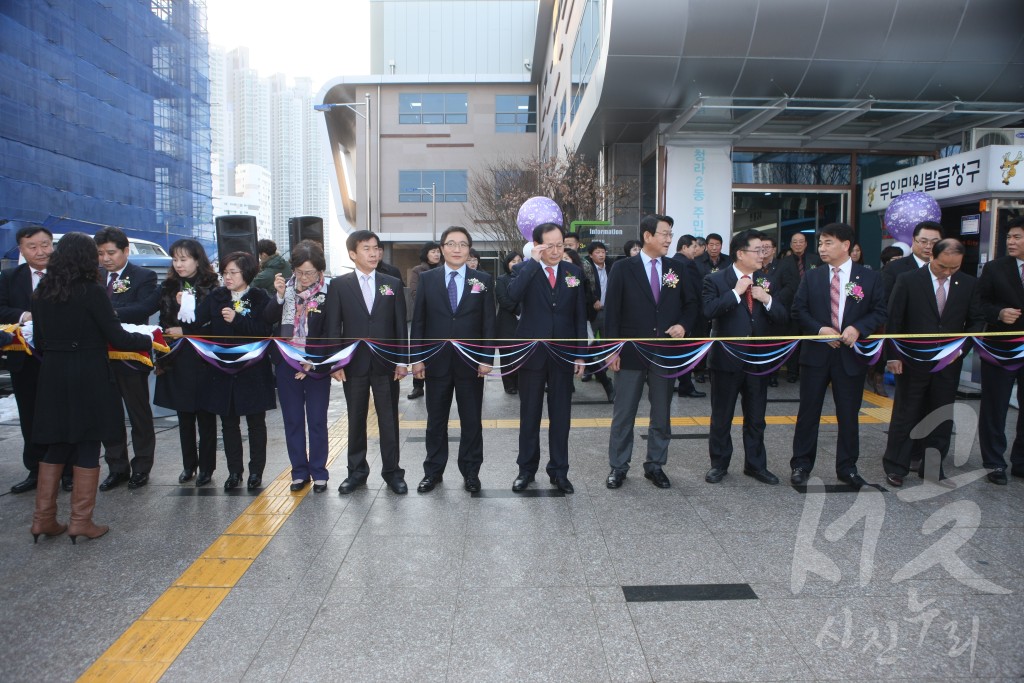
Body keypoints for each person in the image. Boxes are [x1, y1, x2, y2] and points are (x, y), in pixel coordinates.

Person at [29, 232, 153, 543]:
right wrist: (148, 339)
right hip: (88, 374)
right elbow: (117, 335)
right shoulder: (91, 291)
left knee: (55, 443)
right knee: (87, 443)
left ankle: (42, 519)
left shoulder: (43, 290)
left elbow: (40, 340)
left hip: (53, 374)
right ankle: (80, 521)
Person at [790, 223, 887, 488]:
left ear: (846, 245)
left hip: (850, 355)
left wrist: (858, 328)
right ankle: (801, 464)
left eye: (828, 242)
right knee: (808, 412)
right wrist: (819, 329)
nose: (822, 248)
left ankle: (847, 468)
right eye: (820, 243)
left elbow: (879, 311)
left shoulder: (869, 278)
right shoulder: (812, 276)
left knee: (848, 414)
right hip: (816, 355)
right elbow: (799, 311)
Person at [881, 239, 984, 487]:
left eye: (954, 268)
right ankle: (896, 467)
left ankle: (933, 468)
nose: (947, 272)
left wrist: (961, 350)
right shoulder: (908, 280)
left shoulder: (969, 284)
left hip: (949, 361)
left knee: (942, 413)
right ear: (931, 258)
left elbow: (976, 321)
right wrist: (892, 356)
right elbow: (894, 320)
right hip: (912, 359)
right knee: (907, 412)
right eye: (942, 267)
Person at [604, 214, 697, 490]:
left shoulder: (676, 268)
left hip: (665, 353)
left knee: (661, 413)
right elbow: (612, 312)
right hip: (631, 353)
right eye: (664, 234)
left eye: (670, 234)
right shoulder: (623, 268)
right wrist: (612, 350)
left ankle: (655, 465)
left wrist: (683, 324)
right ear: (647, 236)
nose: (669, 239)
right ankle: (618, 467)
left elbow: (691, 304)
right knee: (624, 413)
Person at [411, 226, 495, 494]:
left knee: (472, 421)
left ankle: (471, 472)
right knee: (436, 420)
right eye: (451, 244)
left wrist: (486, 358)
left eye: (462, 244)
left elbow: (488, 323)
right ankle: (433, 471)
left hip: (471, 364)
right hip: (436, 362)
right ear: (442, 248)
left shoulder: (481, 279)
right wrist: (417, 359)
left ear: (469, 249)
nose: (457, 249)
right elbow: (419, 321)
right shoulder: (428, 279)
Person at [703, 230, 790, 485]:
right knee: (722, 416)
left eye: (765, 250)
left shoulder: (766, 280)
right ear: (740, 253)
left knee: (756, 417)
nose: (762, 255)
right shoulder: (717, 280)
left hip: (757, 361)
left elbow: (783, 317)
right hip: (726, 360)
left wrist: (768, 299)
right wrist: (735, 293)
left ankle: (755, 465)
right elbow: (708, 310)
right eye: (757, 250)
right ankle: (719, 464)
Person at [326, 230, 409, 494]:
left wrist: (402, 361)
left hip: (386, 364)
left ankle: (393, 472)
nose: (374, 253)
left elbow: (399, 325)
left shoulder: (391, 283)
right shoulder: (340, 285)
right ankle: (357, 472)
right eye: (366, 249)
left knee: (389, 420)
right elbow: (332, 327)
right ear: (352, 254)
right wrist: (336, 363)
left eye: (377, 248)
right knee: (355, 419)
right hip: (354, 364)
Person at [506, 222, 587, 493]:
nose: (555, 251)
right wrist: (532, 263)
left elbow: (578, 315)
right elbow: (510, 298)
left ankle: (559, 471)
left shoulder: (573, 272)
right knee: (529, 414)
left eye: (560, 245)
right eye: (549, 245)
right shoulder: (523, 270)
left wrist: (580, 355)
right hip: (531, 354)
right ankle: (526, 470)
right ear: (537, 245)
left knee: (561, 416)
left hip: (564, 354)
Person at [196, 252, 276, 490]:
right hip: (222, 370)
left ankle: (255, 472)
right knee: (228, 424)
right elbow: (198, 324)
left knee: (256, 423)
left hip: (252, 370)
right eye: (225, 273)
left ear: (247, 273)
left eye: (233, 272)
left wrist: (237, 319)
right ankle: (234, 472)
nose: (227, 277)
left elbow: (263, 330)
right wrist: (185, 309)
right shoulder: (217, 296)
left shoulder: (260, 297)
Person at [264, 241, 332, 492]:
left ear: (320, 272)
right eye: (299, 272)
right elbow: (267, 318)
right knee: (292, 419)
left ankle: (319, 471)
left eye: (310, 273)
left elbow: (332, 332)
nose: (304, 278)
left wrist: (314, 361)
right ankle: (299, 471)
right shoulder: (286, 290)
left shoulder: (329, 293)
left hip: (315, 366)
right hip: (286, 362)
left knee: (316, 420)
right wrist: (280, 296)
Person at [95, 227, 160, 491]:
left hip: (131, 355)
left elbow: (142, 309)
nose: (106, 259)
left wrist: (105, 313)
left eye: (111, 252)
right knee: (108, 415)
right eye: (100, 253)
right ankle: (117, 467)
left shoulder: (142, 276)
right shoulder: (95, 276)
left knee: (138, 414)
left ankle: (142, 467)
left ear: (125, 251)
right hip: (100, 357)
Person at [154, 239, 219, 486]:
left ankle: (207, 468)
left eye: (184, 259)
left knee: (206, 416)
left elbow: (214, 324)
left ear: (197, 259)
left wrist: (187, 329)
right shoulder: (169, 286)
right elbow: (163, 320)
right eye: (175, 259)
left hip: (204, 359)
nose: (179, 264)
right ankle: (188, 465)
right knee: (184, 416)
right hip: (178, 358)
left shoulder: (212, 287)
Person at [0, 225, 57, 494]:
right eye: (32, 247)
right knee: (30, 415)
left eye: (45, 245)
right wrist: (24, 316)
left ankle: (66, 470)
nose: (40, 251)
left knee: (61, 414)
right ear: (21, 249)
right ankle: (35, 470)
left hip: (58, 358)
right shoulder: (10, 277)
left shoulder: (64, 275)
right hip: (23, 358)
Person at [977, 217, 1024, 484]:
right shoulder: (995, 269)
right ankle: (994, 462)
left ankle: (1021, 460)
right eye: (1009, 237)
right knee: (995, 407)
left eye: (1017, 237)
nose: (1011, 242)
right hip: (1001, 350)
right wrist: (998, 313)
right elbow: (979, 304)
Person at [775, 232, 821, 383]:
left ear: (806, 244)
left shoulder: (816, 259)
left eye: (801, 242)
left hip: (813, 308)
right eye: (795, 242)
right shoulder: (783, 262)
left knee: (811, 341)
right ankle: (792, 371)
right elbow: (779, 284)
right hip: (791, 308)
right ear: (791, 244)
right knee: (793, 341)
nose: (798, 244)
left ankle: (809, 371)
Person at [670, 234, 707, 398]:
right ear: (684, 247)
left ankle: (675, 383)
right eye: (694, 247)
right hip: (687, 318)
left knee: (675, 354)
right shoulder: (687, 264)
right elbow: (696, 293)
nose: (696, 250)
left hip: (673, 317)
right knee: (686, 354)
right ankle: (686, 386)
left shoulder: (671, 262)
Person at [406, 241, 441, 399]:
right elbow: (415, 293)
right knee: (421, 350)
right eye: (433, 251)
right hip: (424, 317)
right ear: (426, 254)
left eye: (438, 251)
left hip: (441, 319)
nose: (436, 254)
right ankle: (418, 386)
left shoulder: (444, 269)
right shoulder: (418, 270)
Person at [582, 241, 615, 401]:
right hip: (588, 315)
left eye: (603, 251)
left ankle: (605, 380)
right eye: (597, 252)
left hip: (600, 313)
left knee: (593, 350)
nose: (601, 255)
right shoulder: (582, 270)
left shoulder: (612, 266)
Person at [881, 221, 942, 299]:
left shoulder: (947, 269)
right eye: (923, 241)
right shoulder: (893, 268)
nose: (928, 246)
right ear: (913, 240)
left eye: (934, 242)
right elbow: (884, 301)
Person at [495, 251, 523, 395]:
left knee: (521, 355)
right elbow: (503, 299)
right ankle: (509, 385)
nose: (516, 264)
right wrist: (520, 311)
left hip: (524, 325)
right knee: (506, 356)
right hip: (506, 324)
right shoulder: (501, 279)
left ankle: (520, 383)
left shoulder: (527, 278)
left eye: (519, 260)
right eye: (513, 261)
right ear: (507, 264)